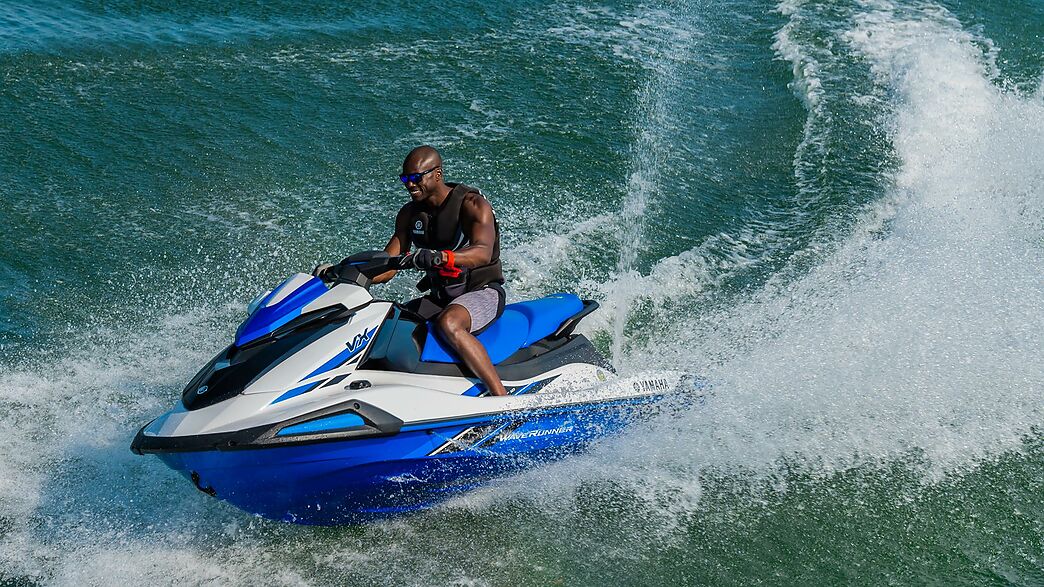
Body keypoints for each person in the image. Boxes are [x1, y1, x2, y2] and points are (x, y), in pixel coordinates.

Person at [322, 146, 508, 396]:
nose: (409, 184)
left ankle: (501, 400)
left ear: (437, 174)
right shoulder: (409, 214)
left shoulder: (472, 204)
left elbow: (482, 252)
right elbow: (388, 265)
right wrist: (343, 272)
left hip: (482, 291)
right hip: (441, 297)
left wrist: (441, 257)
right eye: (405, 179)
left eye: (415, 178)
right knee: (385, 323)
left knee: (450, 323)